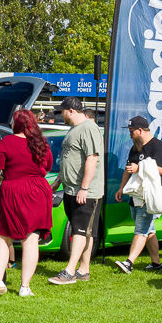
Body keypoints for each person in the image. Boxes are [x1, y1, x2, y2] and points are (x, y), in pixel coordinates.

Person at [0, 110, 53, 297]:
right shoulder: (41, 143)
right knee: (31, 239)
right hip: (39, 192)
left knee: (3, 237)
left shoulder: (7, 142)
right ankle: (25, 287)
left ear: (16, 124)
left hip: (14, 190)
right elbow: (47, 167)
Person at [49, 96, 103, 285]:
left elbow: (92, 158)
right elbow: (69, 159)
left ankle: (69, 271)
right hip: (70, 189)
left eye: (61, 111)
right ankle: (83, 270)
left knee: (79, 231)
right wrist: (58, 180)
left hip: (86, 191)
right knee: (84, 231)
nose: (60, 114)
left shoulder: (88, 128)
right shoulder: (75, 129)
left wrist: (85, 187)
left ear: (71, 110)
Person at [113, 116, 162, 274]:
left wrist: (140, 168)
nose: (130, 134)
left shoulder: (159, 147)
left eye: (132, 131)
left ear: (140, 130)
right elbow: (128, 168)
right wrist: (121, 188)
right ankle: (156, 264)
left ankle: (129, 262)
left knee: (141, 229)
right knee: (149, 230)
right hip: (136, 195)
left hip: (150, 195)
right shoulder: (135, 148)